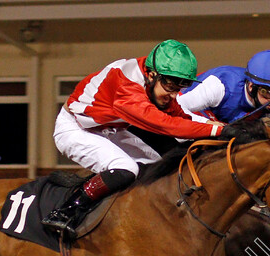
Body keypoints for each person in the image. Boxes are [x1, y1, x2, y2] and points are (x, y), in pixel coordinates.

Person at [43, 39, 224, 238]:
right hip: (74, 129)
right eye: (170, 85)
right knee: (126, 169)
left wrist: (217, 129)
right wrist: (215, 132)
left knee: (160, 167)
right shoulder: (126, 84)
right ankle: (66, 211)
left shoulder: (153, 81)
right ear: (152, 74)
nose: (173, 95)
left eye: (181, 86)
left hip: (108, 129)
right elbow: (166, 125)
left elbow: (179, 116)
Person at [177, 50, 270, 126]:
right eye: (267, 92)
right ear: (251, 86)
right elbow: (177, 108)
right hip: (189, 118)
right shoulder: (219, 87)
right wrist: (210, 125)